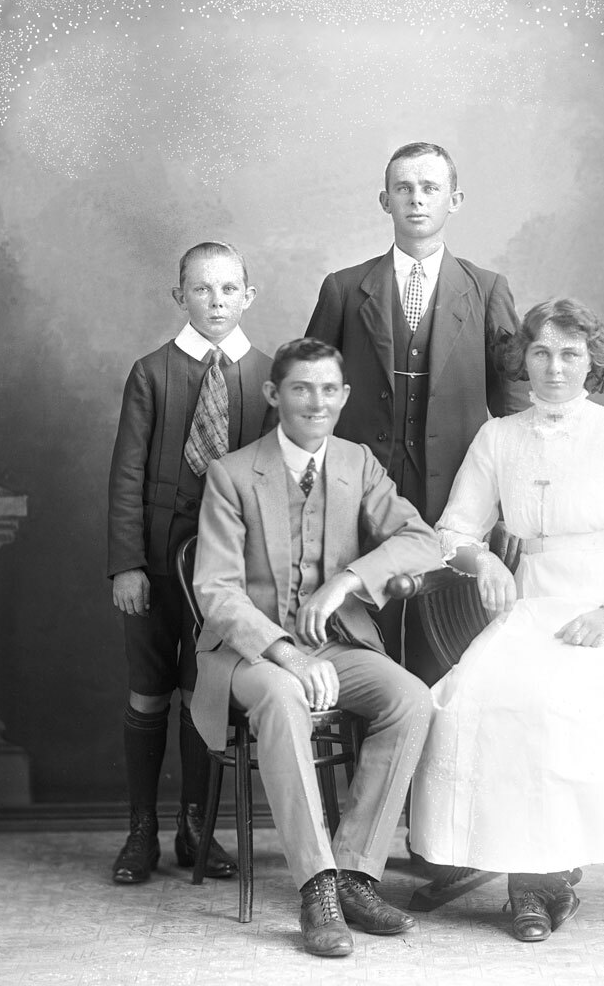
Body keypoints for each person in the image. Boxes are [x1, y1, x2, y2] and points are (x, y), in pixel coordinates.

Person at [409, 298, 604, 942]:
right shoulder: (498, 437)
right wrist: (482, 563)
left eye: (570, 353)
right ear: (522, 359)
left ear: (593, 361)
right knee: (463, 693)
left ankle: (539, 885)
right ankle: (498, 854)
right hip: (531, 603)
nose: (554, 367)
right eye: (541, 351)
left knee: (544, 699)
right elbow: (454, 530)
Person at [190, 338, 440, 958]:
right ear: (276, 395)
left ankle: (356, 872)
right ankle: (317, 885)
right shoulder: (231, 474)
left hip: (336, 646)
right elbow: (216, 591)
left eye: (329, 389)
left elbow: (421, 539)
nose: (316, 402)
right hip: (247, 655)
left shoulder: (358, 464)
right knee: (280, 697)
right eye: (302, 388)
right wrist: (287, 654)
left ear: (344, 396)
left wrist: (346, 582)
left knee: (410, 699)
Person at [305, 141, 527, 684]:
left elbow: (513, 406)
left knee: (447, 645)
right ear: (385, 201)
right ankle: (377, 755)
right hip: (361, 493)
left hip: (455, 493)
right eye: (404, 188)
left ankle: (432, 764)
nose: (417, 200)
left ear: (455, 199)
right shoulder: (343, 288)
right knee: (366, 640)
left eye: (430, 188)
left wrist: (512, 501)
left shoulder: (485, 289)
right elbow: (307, 396)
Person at [107, 241, 273, 885]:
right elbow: (126, 475)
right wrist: (127, 564)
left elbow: (267, 482)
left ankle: (196, 827)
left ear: (248, 296)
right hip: (154, 558)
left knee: (205, 691)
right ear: (180, 296)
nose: (216, 302)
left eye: (229, 289)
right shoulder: (151, 373)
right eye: (201, 289)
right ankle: (142, 829)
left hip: (224, 570)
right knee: (149, 690)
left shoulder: (262, 374)